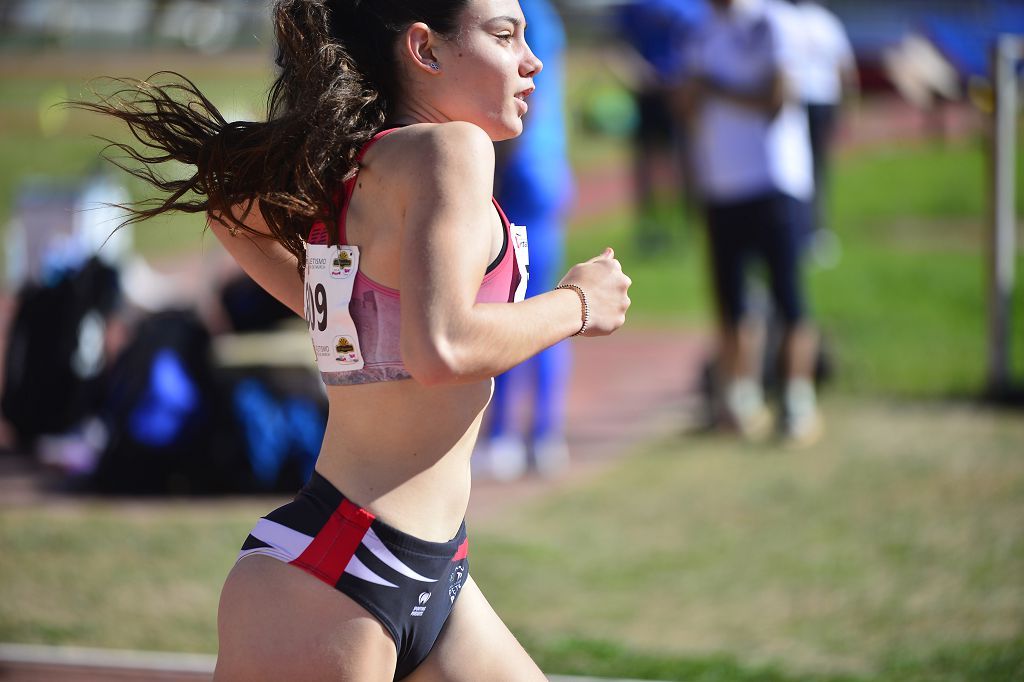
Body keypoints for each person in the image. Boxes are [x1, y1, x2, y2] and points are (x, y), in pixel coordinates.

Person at [76, 0, 632, 679]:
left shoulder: (365, 163)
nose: (532, 58)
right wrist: (578, 302)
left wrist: (338, 320)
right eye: (504, 34)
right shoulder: (451, 149)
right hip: (336, 572)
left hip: (426, 571)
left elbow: (230, 208)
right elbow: (444, 349)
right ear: (425, 50)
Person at [679, 0, 822, 445]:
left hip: (774, 179)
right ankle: (740, 399)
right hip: (721, 185)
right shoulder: (702, 30)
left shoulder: (774, 21)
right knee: (731, 301)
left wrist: (715, 90)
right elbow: (686, 105)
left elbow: (778, 99)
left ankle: (798, 401)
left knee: (788, 295)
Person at [484, 0, 574, 481]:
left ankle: (507, 435)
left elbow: (527, 90)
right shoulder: (542, 14)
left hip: (522, 173)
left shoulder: (520, 12)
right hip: (545, 169)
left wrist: (491, 171)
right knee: (535, 301)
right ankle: (542, 433)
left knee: (508, 304)